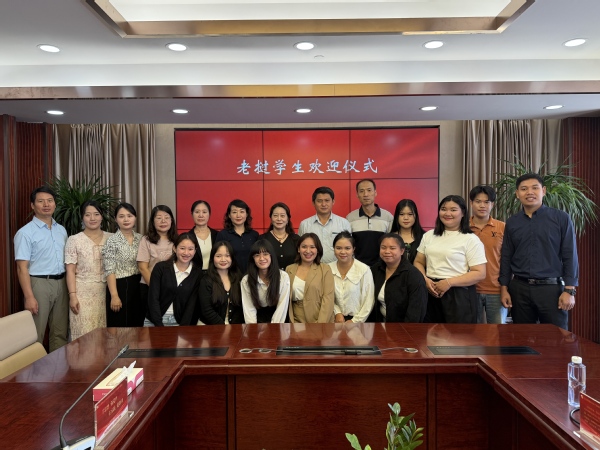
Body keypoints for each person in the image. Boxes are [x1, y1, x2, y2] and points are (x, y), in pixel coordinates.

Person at [499, 173, 578, 330]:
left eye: (535, 188)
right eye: (524, 189)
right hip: (519, 289)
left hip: (551, 290)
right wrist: (504, 288)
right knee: (522, 336)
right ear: (517, 194)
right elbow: (506, 256)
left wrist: (570, 290)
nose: (529, 192)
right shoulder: (513, 222)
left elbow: (570, 255)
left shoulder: (561, 218)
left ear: (544, 191)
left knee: (555, 337)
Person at [413, 195, 487, 324]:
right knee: (430, 333)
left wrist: (448, 283)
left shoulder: (470, 239)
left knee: (458, 335)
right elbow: (418, 262)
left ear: (463, 213)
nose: (447, 213)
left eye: (453, 210)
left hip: (458, 293)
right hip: (430, 290)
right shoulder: (429, 235)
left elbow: (480, 273)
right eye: (443, 209)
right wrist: (425, 279)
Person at [14, 186, 69, 351]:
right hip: (39, 284)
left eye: (50, 201)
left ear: (55, 204)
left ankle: (58, 365)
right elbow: (22, 268)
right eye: (41, 201)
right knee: (35, 334)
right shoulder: (25, 233)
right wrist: (29, 297)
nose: (46, 204)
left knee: (60, 332)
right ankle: (34, 368)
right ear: (33, 205)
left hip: (62, 283)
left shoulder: (61, 230)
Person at [65, 200, 111, 340]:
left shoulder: (111, 238)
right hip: (82, 295)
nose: (92, 218)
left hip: (106, 294)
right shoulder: (74, 240)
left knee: (105, 335)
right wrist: (73, 296)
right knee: (83, 335)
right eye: (87, 215)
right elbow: (70, 271)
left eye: (96, 214)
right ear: (82, 217)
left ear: (102, 216)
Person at [469, 185, 507, 324]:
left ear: (492, 204)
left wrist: (505, 287)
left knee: (498, 332)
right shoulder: (463, 228)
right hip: (469, 289)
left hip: (496, 289)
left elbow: (507, 259)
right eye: (478, 201)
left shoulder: (502, 227)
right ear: (471, 203)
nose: (482, 205)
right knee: (471, 332)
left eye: (487, 202)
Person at [369, 233, 427, 323]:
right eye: (383, 247)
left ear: (402, 251)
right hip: (379, 325)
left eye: (392, 248)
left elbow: (416, 312)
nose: (387, 251)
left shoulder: (413, 275)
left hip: (404, 327)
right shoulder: (375, 269)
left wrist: (403, 330)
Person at [147, 232, 202, 326]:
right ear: (174, 248)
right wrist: (159, 325)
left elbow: (192, 305)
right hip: (155, 321)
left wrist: (183, 328)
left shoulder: (198, 274)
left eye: (190, 249)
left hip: (181, 323)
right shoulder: (161, 268)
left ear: (195, 251)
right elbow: (153, 298)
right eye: (182, 248)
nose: (186, 253)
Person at [102, 203, 143, 327]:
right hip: (119, 286)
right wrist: (114, 296)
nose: (126, 219)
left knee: (137, 325)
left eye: (129, 216)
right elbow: (109, 269)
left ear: (135, 218)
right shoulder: (111, 241)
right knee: (119, 327)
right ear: (115, 219)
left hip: (138, 285)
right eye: (121, 216)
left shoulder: (141, 239)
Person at [137, 205, 178, 325]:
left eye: (167, 217)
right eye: (159, 218)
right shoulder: (146, 240)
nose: (163, 221)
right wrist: (157, 289)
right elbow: (143, 268)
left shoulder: (178, 240)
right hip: (149, 288)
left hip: (172, 289)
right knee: (152, 324)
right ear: (153, 221)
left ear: (171, 220)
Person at [286, 233, 335, 323]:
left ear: (318, 250)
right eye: (304, 247)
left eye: (312, 247)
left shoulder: (325, 269)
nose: (308, 251)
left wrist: (320, 325)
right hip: (296, 321)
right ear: (298, 249)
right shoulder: (289, 269)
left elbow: (328, 300)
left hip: (320, 320)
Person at [328, 231, 375, 323]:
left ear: (353, 249)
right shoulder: (328, 268)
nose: (343, 252)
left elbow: (369, 301)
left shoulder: (364, 269)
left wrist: (354, 321)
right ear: (334, 249)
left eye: (347, 248)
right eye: (338, 248)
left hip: (359, 322)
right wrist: (337, 312)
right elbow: (326, 296)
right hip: (334, 320)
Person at [298, 186, 351, 264]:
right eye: (319, 201)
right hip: (312, 267)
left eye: (327, 200)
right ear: (313, 203)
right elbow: (300, 249)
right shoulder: (305, 224)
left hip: (337, 267)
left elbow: (349, 248)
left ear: (333, 202)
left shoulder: (344, 223)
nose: (323, 204)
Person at [346, 179, 393, 266]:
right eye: (361, 191)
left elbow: (392, 243)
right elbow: (348, 244)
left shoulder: (387, 217)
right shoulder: (350, 218)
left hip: (382, 266)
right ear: (357, 195)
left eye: (369, 190)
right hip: (358, 266)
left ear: (375, 193)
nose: (365, 194)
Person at [241, 240, 290, 323]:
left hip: (279, 320)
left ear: (271, 256)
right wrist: (253, 329)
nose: (262, 258)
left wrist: (275, 328)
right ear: (253, 259)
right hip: (257, 319)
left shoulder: (283, 277)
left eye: (265, 254)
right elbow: (249, 310)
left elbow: (282, 307)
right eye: (257, 255)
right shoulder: (246, 280)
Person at [198, 241, 244, 325]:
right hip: (210, 326)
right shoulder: (206, 280)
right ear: (212, 258)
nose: (223, 259)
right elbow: (206, 310)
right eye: (218, 256)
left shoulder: (238, 278)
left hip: (234, 326)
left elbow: (240, 307)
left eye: (227, 255)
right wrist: (223, 327)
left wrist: (233, 327)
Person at [215, 199, 259, 275]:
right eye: (234, 212)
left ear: (246, 214)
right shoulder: (223, 235)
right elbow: (217, 258)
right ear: (229, 215)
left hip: (252, 276)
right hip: (231, 276)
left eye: (242, 212)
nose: (238, 215)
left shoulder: (254, 235)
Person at [260, 202, 300, 270]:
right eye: (275, 215)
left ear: (288, 219)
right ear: (271, 218)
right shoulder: (263, 239)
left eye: (282, 216)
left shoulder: (296, 239)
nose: (279, 219)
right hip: (270, 276)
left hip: (291, 275)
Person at [390, 199, 425, 265]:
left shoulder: (425, 237)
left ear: (416, 216)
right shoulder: (389, 238)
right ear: (397, 216)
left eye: (410, 214)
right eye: (401, 214)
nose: (406, 218)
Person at [188, 200, 218, 273]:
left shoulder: (217, 235)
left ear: (209, 214)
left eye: (204, 212)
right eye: (197, 212)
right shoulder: (187, 237)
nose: (201, 215)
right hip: (194, 276)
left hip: (215, 275)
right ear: (192, 214)